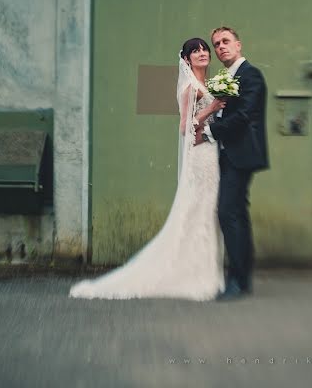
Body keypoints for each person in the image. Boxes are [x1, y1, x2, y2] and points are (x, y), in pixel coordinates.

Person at [69, 38, 226, 300]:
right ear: (186, 59)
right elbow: (183, 127)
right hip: (199, 155)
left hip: (211, 151)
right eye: (195, 51)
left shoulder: (209, 84)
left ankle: (205, 272)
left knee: (208, 209)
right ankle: (192, 275)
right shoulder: (190, 87)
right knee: (197, 209)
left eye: (204, 49)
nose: (202, 53)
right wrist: (211, 107)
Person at [194, 26, 269, 300]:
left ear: (238, 44)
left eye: (225, 41)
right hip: (227, 154)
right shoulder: (225, 77)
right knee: (236, 213)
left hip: (242, 154)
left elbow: (246, 115)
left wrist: (211, 132)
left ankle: (237, 280)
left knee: (229, 212)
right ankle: (242, 278)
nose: (220, 47)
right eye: (216, 44)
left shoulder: (250, 75)